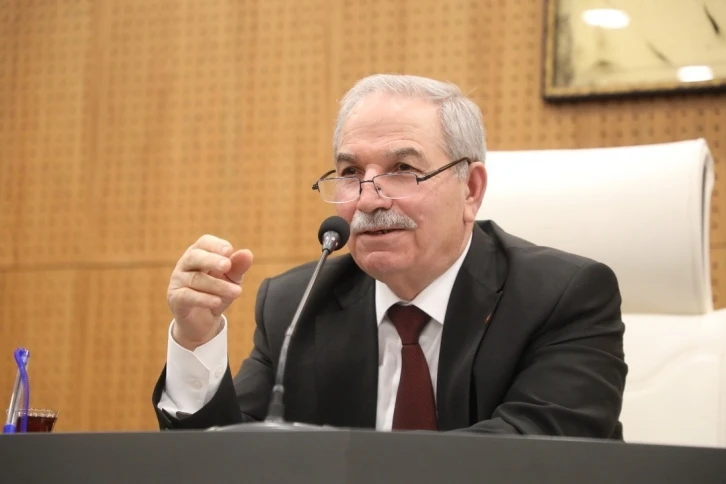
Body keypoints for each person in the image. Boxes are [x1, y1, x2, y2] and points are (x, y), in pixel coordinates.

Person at [152, 74, 628, 437]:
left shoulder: (562, 297)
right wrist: (196, 341)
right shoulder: (296, 306)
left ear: (470, 189)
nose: (368, 199)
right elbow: (229, 460)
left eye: (402, 168)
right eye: (350, 173)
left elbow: (532, 456)